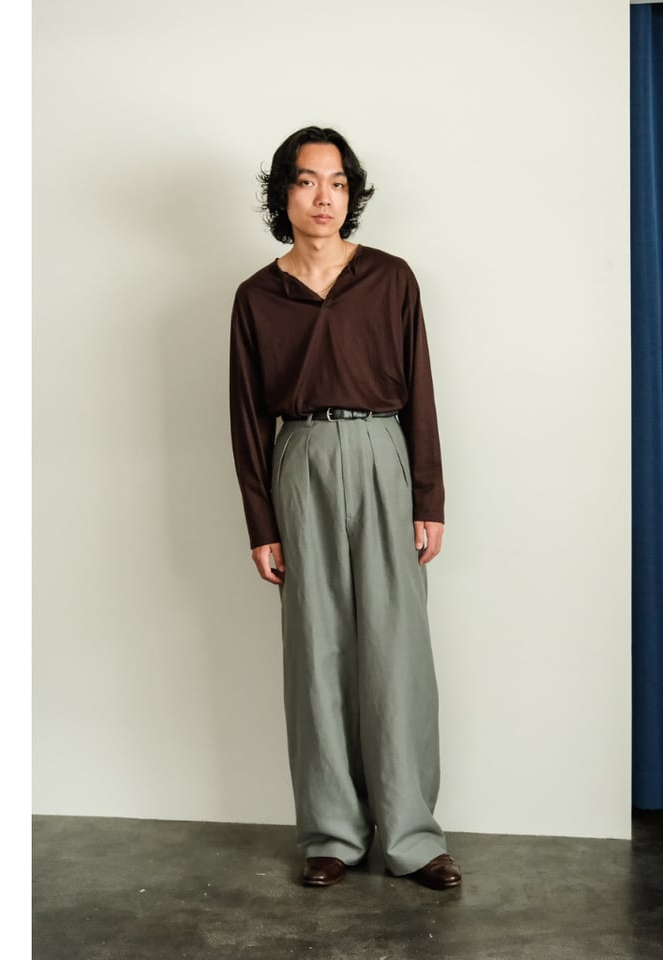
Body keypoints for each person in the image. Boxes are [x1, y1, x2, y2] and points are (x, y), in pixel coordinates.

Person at [229, 126, 461, 891]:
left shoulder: (390, 279)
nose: (323, 197)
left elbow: (420, 388)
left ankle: (412, 836)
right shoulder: (257, 297)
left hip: (382, 452)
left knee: (397, 648)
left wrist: (428, 496)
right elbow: (245, 418)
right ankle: (331, 833)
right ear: (283, 194)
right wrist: (261, 523)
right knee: (316, 649)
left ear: (351, 193)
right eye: (306, 181)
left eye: (336, 182)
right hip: (299, 460)